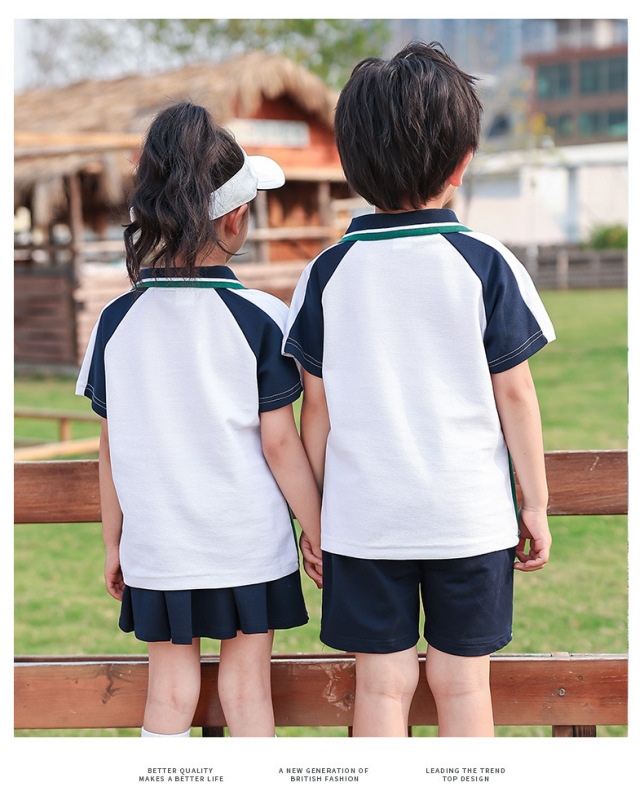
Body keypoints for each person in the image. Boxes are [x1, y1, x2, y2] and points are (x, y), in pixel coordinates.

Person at [283, 42, 555, 737]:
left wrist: (317, 519)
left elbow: (316, 410)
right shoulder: (485, 264)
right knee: (463, 685)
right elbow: (516, 397)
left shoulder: (326, 272)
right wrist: (535, 502)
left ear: (353, 165)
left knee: (381, 685)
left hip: (364, 522)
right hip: (470, 518)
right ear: (462, 163)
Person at [76, 101, 323, 738]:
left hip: (159, 549)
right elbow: (280, 443)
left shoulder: (115, 322)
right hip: (248, 547)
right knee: (247, 692)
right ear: (237, 217)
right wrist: (318, 527)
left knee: (169, 695)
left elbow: (110, 447)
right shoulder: (262, 317)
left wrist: (114, 542)